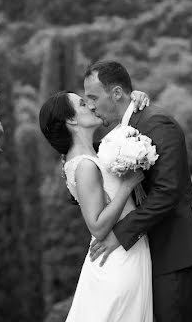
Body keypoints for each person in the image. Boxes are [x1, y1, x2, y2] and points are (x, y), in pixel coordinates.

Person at [84, 60, 192, 322]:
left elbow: (167, 192)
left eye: (93, 97)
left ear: (117, 93)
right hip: (147, 254)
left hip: (176, 251)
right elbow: (90, 167)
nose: (91, 105)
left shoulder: (157, 123)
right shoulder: (117, 133)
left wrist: (119, 235)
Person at [39, 90, 153, 322]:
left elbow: (121, 131)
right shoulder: (85, 166)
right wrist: (127, 186)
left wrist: (135, 102)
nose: (91, 106)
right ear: (71, 120)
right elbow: (98, 227)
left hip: (127, 251)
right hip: (117, 260)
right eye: (82, 103)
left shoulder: (95, 154)